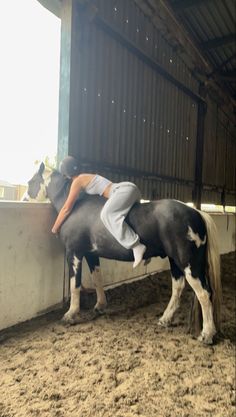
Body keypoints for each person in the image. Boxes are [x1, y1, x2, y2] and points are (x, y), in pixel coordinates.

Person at [51, 156, 146, 268]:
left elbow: (66, 208)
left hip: (120, 191)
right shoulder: (85, 177)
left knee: (106, 215)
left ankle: (136, 245)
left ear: (66, 174)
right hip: (129, 189)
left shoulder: (78, 181)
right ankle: (147, 251)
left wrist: (55, 227)